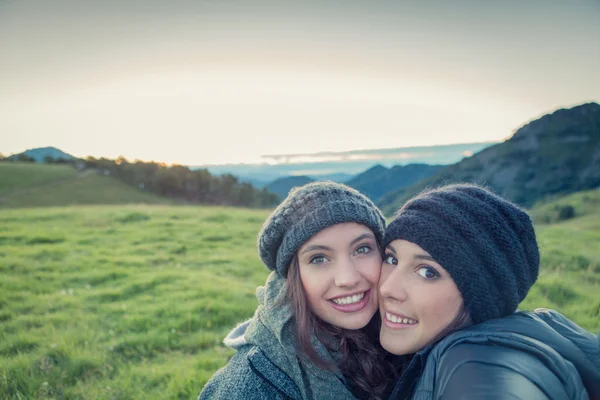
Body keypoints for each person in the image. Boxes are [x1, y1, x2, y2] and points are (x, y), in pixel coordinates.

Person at [378, 183, 600, 400]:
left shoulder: (473, 360)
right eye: (391, 258)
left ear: (481, 295)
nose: (387, 288)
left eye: (428, 272)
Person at [199, 181, 395, 400]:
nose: (347, 279)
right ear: (293, 277)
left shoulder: (403, 336)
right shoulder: (254, 384)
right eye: (319, 258)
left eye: (362, 249)